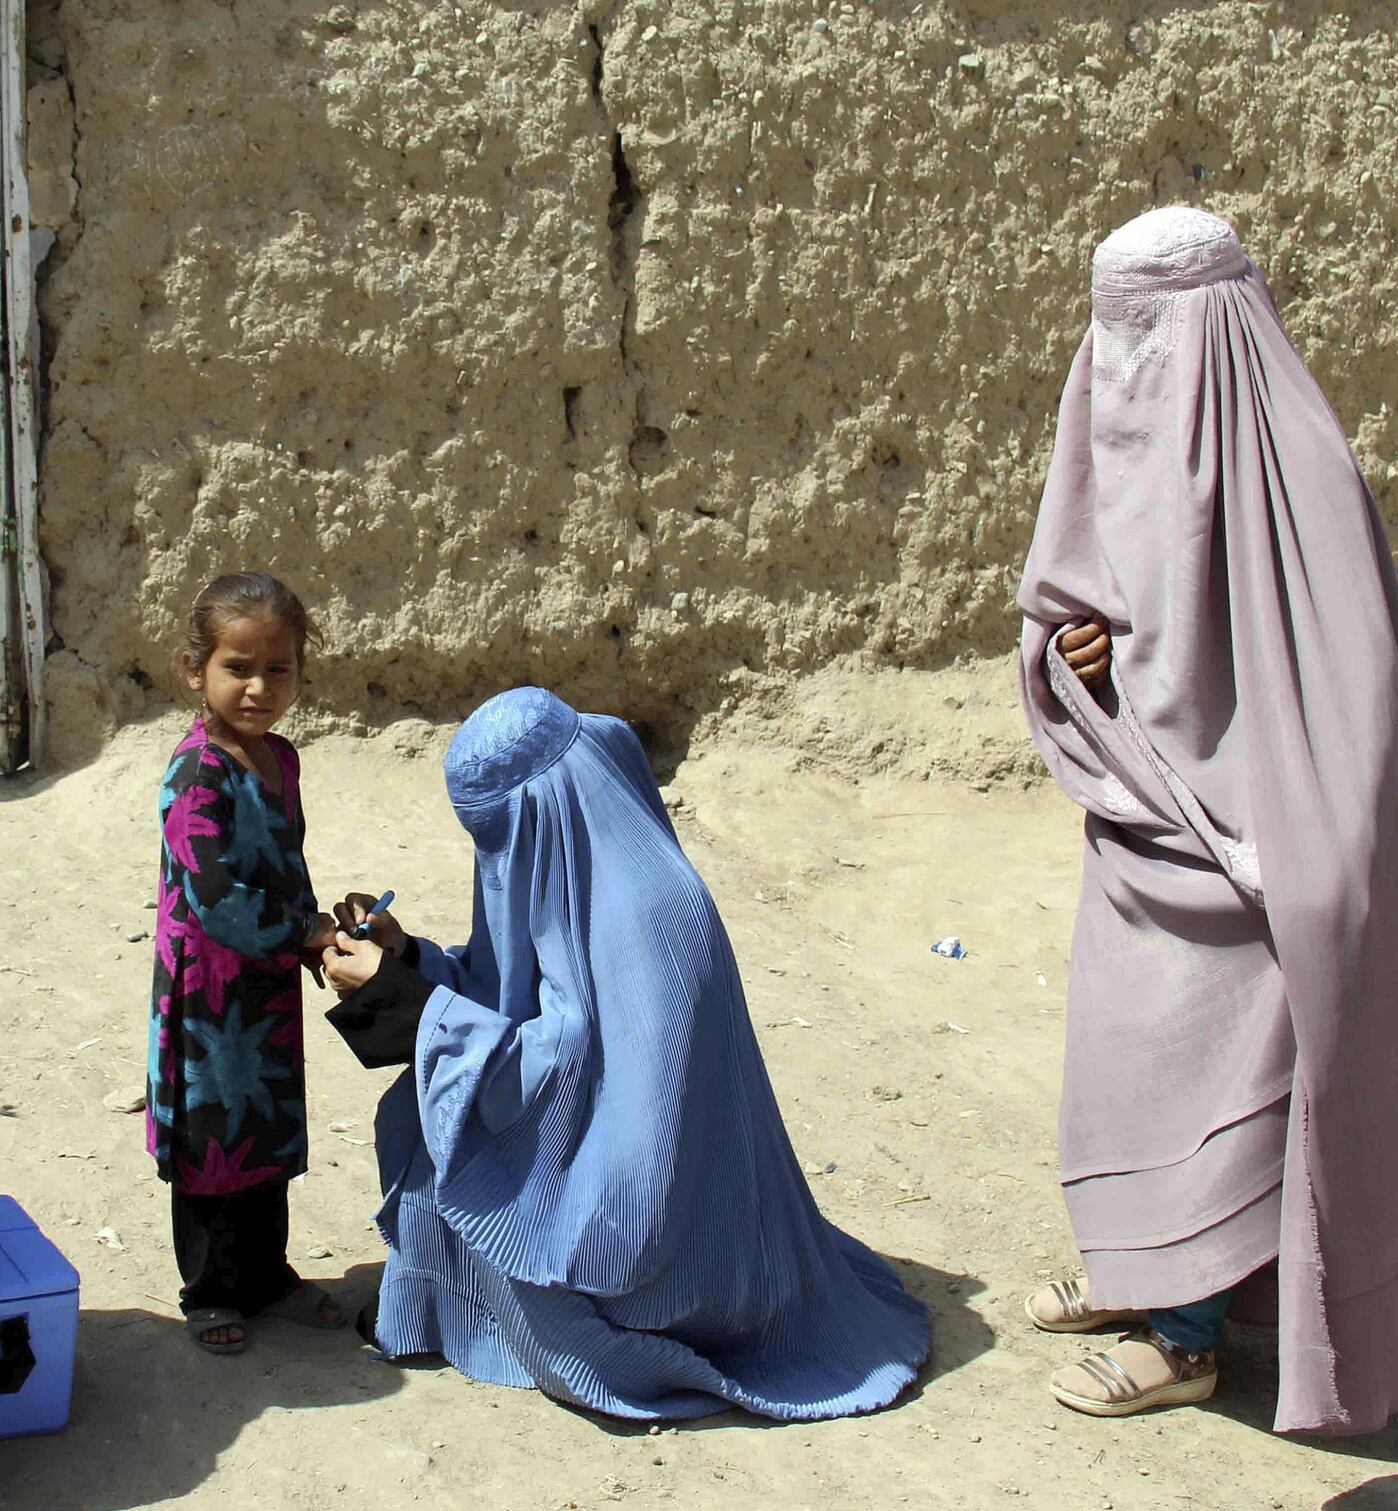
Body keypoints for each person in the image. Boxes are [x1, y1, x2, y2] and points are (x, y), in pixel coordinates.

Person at [1015, 206, 1398, 1429]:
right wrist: (1086, 658)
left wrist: (1285, 849)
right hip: (1159, 814)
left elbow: (1344, 702)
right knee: (1129, 1043)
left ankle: (1182, 1336)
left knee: (1231, 1022)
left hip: (1288, 834)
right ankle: (1153, 1262)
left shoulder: (1297, 471)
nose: (1114, 363)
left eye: (1140, 335)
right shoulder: (1122, 434)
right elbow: (1111, 609)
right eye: (1104, 330)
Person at [320, 687, 930, 1423]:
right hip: (608, 1166)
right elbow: (512, 991)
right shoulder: (572, 863)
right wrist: (408, 962)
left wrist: (413, 1008)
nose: (497, 861)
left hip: (661, 1233)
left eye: (501, 839)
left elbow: (584, 1084)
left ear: (543, 812)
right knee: (437, 1118)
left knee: (462, 1141)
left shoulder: (651, 913)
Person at [148, 573, 350, 1355]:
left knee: (263, 1124)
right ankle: (209, 1290)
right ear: (197, 670)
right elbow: (213, 897)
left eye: (279, 669)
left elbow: (283, 863)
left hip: (262, 978)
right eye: (238, 667)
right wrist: (303, 932)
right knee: (213, 1134)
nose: (259, 687)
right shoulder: (198, 772)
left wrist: (325, 923)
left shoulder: (279, 759)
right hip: (209, 991)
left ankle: (267, 1276)